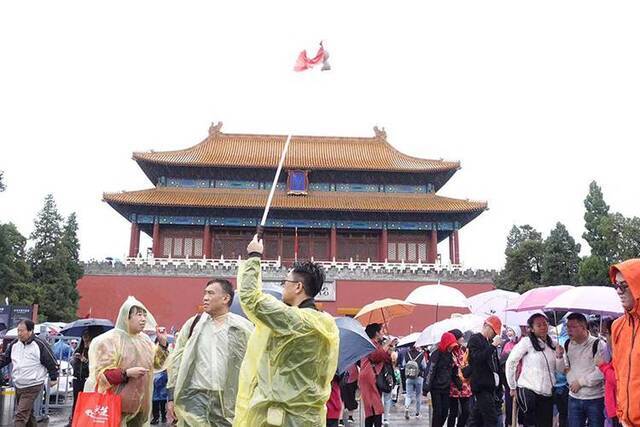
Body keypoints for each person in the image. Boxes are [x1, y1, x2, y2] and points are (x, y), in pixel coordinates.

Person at [233, 234, 340, 426]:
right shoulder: (327, 323)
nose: (283, 287)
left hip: (282, 418)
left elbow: (250, 298)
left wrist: (254, 256)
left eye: (286, 283)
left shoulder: (293, 319)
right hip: (310, 418)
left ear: (298, 287)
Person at [166, 278, 253, 426]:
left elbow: (254, 362)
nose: (205, 298)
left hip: (228, 398)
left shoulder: (242, 328)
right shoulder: (194, 324)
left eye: (211, 293)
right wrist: (171, 396)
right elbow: (176, 360)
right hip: (194, 395)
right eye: (205, 293)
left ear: (226, 298)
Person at [85, 296, 170, 426]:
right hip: (115, 408)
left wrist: (163, 344)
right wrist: (127, 373)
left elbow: (157, 364)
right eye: (139, 315)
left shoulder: (145, 340)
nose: (143, 319)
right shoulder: (108, 340)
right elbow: (101, 376)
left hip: (141, 408)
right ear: (127, 317)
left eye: (144, 315)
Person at [506, 313, 564, 427]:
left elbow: (560, 370)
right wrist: (512, 386)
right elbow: (511, 362)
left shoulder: (554, 344)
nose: (543, 327)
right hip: (528, 389)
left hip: (547, 392)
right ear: (531, 329)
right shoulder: (526, 342)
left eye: (545, 324)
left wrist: (559, 356)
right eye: (539, 325)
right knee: (531, 421)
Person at [0, 319, 58, 427]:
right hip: (19, 384)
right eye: (18, 331)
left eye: (22, 331)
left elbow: (51, 361)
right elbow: (4, 359)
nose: (19, 333)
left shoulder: (40, 344)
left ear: (30, 331)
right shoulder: (14, 344)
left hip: (33, 384)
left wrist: (53, 377)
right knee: (28, 413)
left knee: (20, 415)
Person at [559, 312, 605, 427]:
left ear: (584, 327)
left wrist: (580, 382)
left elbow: (601, 372)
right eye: (567, 327)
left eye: (573, 327)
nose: (569, 330)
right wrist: (559, 357)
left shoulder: (598, 344)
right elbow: (564, 368)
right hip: (574, 398)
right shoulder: (567, 344)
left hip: (595, 398)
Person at [609, 259, 640, 427]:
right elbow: (620, 375)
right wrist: (622, 415)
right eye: (616, 285)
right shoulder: (617, 326)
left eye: (624, 285)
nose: (619, 291)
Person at [467, 315, 502, 427]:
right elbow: (477, 358)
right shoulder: (475, 339)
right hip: (481, 384)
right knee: (490, 419)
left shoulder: (488, 342)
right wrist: (492, 346)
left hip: (489, 386)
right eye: (493, 332)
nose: (494, 335)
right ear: (486, 327)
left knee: (477, 419)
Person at [359, 323, 393, 427]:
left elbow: (386, 359)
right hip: (370, 377)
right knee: (373, 407)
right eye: (381, 331)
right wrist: (387, 344)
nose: (383, 333)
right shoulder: (370, 344)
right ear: (376, 333)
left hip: (373, 376)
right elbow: (376, 356)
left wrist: (389, 349)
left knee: (373, 408)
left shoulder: (376, 344)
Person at [426, 331, 462, 427]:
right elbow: (430, 371)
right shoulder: (436, 354)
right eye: (450, 345)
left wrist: (459, 385)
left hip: (446, 388)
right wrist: (426, 387)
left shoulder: (451, 356)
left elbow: (454, 372)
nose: (452, 347)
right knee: (438, 413)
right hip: (436, 388)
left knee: (445, 412)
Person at [67, 326, 102, 427]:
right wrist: (75, 359)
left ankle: (85, 422)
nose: (85, 339)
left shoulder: (95, 350)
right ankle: (73, 421)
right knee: (76, 402)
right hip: (78, 379)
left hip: (89, 380)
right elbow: (73, 363)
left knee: (88, 403)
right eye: (83, 337)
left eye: (87, 337)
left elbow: (96, 366)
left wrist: (85, 361)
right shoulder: (80, 348)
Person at [595, 318, 620, 427]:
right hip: (614, 410)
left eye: (607, 333)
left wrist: (603, 366)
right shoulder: (614, 352)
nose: (606, 337)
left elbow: (618, 380)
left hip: (619, 410)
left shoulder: (622, 355)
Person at [448, 329, 472, 427]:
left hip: (465, 385)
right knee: (453, 413)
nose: (462, 339)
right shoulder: (450, 352)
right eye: (460, 337)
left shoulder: (464, 350)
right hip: (453, 386)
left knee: (467, 411)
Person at [403, 344, 426, 420]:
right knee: (418, 396)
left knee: (408, 395)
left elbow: (403, 365)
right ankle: (417, 413)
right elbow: (424, 366)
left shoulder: (407, 354)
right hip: (418, 377)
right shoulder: (421, 355)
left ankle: (406, 408)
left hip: (409, 377)